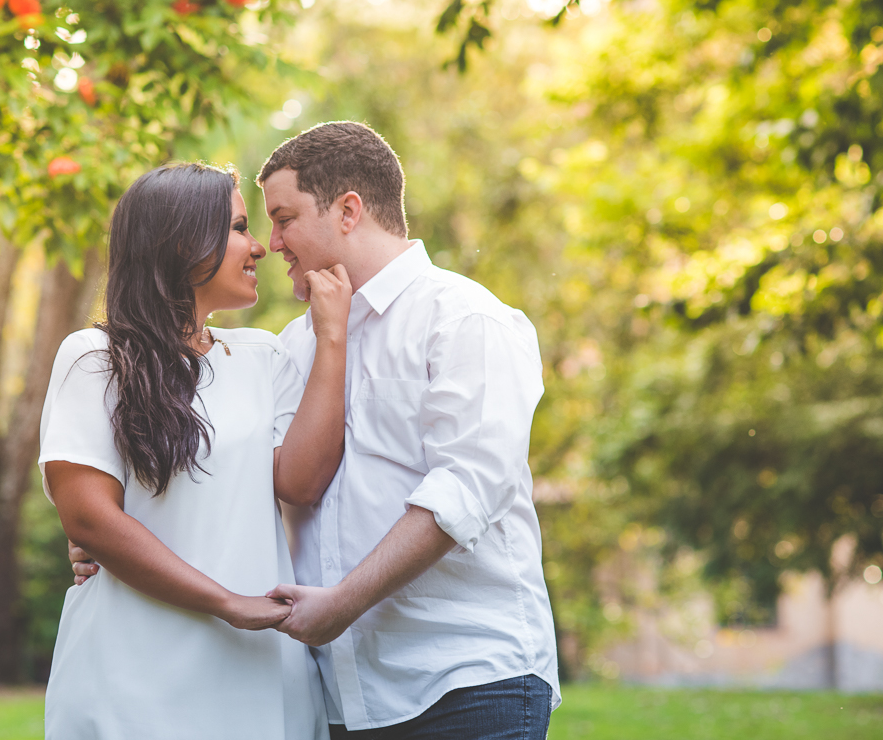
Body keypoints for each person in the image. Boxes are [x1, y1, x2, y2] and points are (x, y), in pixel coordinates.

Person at [71, 122, 560, 739]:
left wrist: (346, 601)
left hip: (462, 680)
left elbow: (467, 488)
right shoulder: (292, 348)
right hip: (336, 694)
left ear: (349, 210)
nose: (272, 244)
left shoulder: (465, 320)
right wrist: (111, 534)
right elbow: (255, 483)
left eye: (283, 218)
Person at [40, 162, 351, 740]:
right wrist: (226, 602)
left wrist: (333, 337)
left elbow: (301, 484)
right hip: (133, 673)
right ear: (183, 241)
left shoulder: (262, 356)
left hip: (258, 667)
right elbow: (88, 517)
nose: (259, 246)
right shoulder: (94, 358)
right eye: (238, 228)